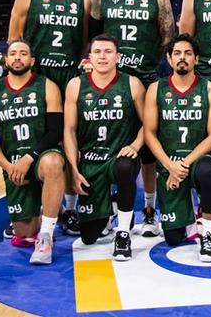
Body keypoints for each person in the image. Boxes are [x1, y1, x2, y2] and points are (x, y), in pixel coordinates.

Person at [90, 0, 175, 238]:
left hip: (146, 78)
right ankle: (108, 211)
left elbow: (167, 35)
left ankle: (150, 209)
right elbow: (94, 33)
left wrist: (151, 64)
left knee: (149, 148)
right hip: (109, 79)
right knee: (107, 145)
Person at [9, 0, 91, 234]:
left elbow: (84, 42)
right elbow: (14, 39)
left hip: (67, 76)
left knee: (71, 141)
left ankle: (68, 209)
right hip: (36, 79)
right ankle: (25, 207)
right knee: (27, 141)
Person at [0, 40, 66, 264]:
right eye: (13, 54)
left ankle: (46, 235)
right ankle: (50, 205)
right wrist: (8, 167)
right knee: (24, 234)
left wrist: (30, 158)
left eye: (24, 53)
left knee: (54, 164)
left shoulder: (47, 86)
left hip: (40, 155)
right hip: (14, 165)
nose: (18, 57)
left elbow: (55, 131)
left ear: (32, 60)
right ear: (6, 60)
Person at [63, 34, 146, 260]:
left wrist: (136, 145)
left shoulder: (132, 83)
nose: (102, 56)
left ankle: (123, 233)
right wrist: (73, 169)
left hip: (117, 157)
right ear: (89, 57)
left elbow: (148, 123)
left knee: (125, 167)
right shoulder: (75, 85)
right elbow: (68, 130)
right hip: (90, 161)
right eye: (97, 52)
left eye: (108, 52)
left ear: (117, 57)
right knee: (89, 236)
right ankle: (113, 204)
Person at [142, 34, 211, 261]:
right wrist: (170, 165)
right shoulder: (156, 89)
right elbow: (149, 133)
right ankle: (186, 212)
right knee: (173, 238)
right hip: (168, 162)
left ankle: (208, 234)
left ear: (196, 59)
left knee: (207, 171)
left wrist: (183, 164)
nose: (182, 58)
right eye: (177, 53)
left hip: (197, 159)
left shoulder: (210, 89)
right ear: (168, 59)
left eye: (188, 53)